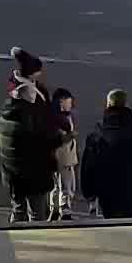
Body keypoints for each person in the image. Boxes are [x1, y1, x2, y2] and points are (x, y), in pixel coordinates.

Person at [80, 88, 132, 219]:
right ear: (126, 105)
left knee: (111, 223)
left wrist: (89, 192)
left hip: (106, 190)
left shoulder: (98, 133)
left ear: (108, 105)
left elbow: (89, 166)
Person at [0, 56, 60, 223]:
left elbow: (0, 146)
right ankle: (38, 242)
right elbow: (44, 144)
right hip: (33, 177)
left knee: (18, 210)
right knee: (36, 214)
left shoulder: (3, 119)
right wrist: (62, 139)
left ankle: (18, 235)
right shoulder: (30, 123)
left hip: (13, 176)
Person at [50, 87, 81, 220]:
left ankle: (54, 208)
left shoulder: (51, 116)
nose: (71, 104)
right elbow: (60, 139)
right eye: (69, 101)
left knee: (56, 185)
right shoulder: (62, 119)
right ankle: (65, 210)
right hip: (64, 157)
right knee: (67, 185)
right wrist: (71, 135)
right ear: (61, 101)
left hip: (56, 157)